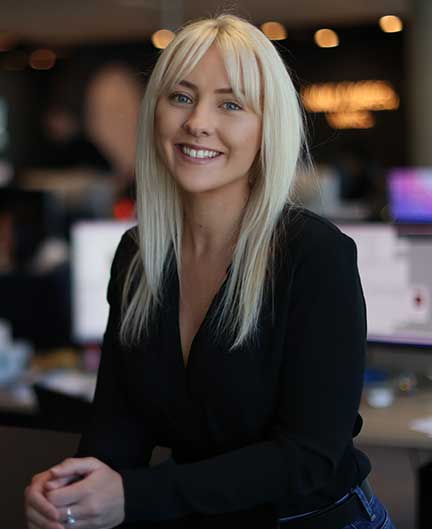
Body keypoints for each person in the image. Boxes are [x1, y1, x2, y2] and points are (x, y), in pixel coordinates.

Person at [24, 14, 397, 529]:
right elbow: (120, 423)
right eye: (180, 97)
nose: (198, 121)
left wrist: (134, 495)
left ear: (268, 127)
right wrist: (74, 490)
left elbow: (310, 456)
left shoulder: (315, 254)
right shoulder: (139, 253)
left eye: (230, 104)